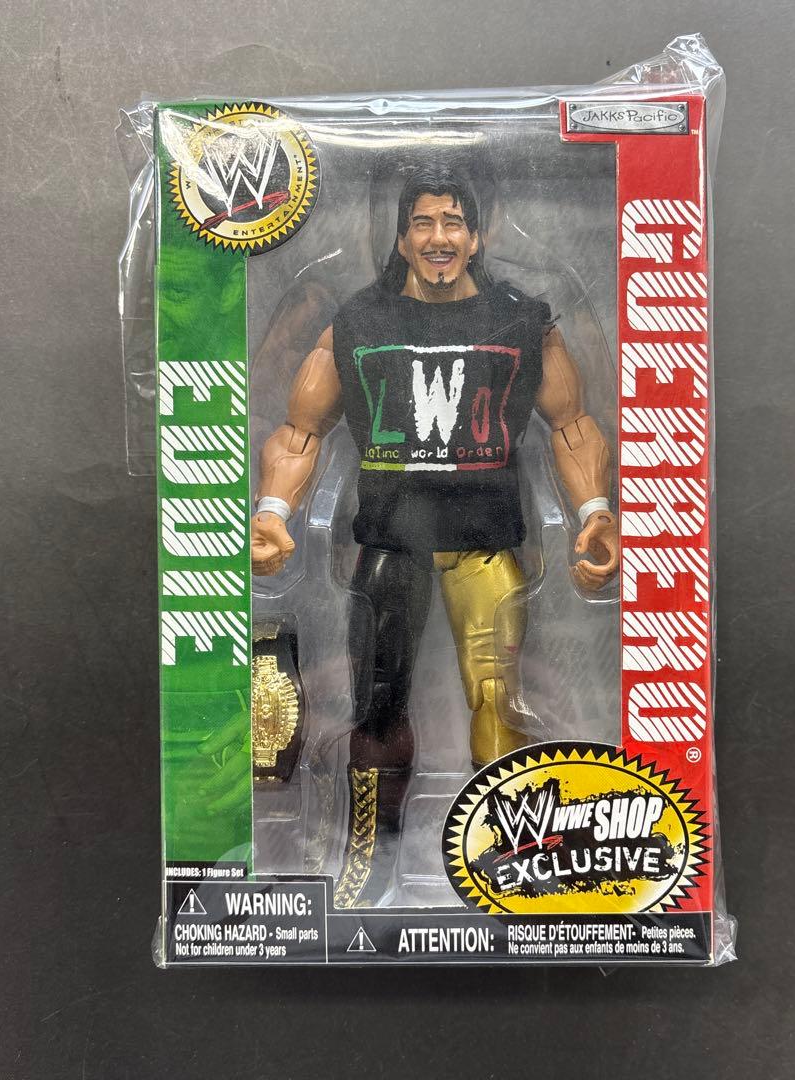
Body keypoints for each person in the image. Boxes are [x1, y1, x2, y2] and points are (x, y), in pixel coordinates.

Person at [250, 164, 618, 907]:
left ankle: (511, 859)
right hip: (390, 547)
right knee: (377, 709)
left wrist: (594, 515)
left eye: (453, 221)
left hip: (486, 546)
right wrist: (272, 513)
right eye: (423, 222)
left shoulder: (521, 320)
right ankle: (370, 863)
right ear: (401, 237)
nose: (438, 237)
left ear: (477, 236)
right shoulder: (358, 323)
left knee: (498, 705)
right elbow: (299, 430)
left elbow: (572, 425)